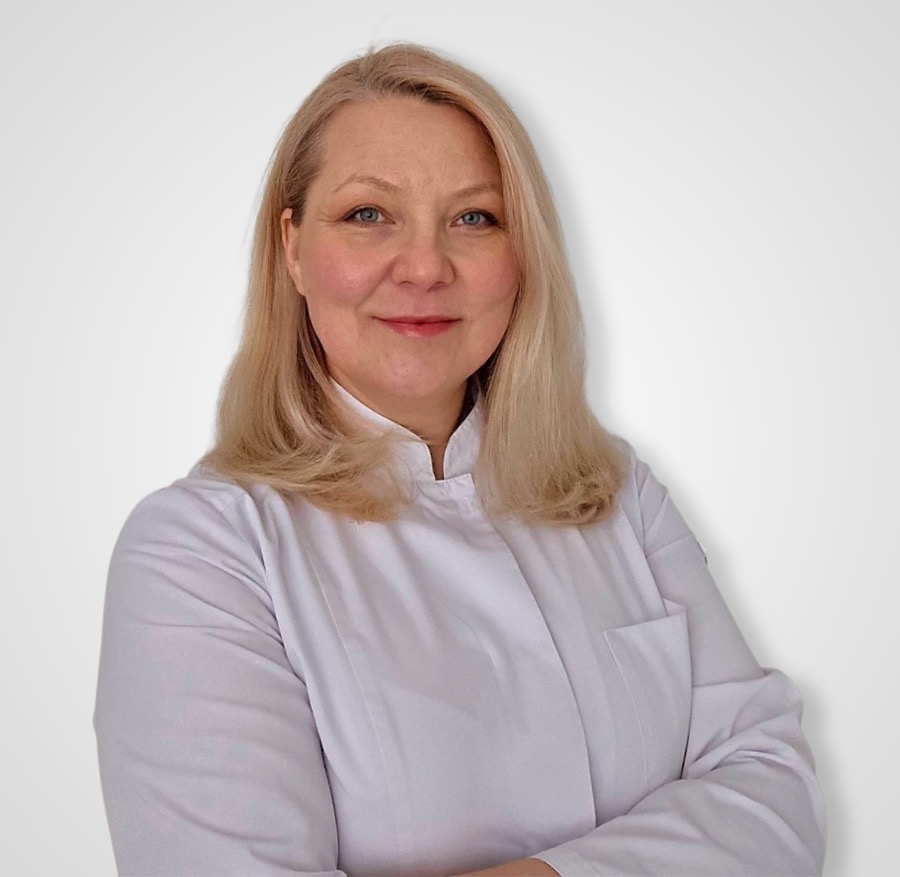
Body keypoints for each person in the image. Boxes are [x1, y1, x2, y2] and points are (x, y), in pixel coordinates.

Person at [93, 42, 826, 876]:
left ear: (524, 253)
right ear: (291, 248)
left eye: (474, 218)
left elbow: (779, 797)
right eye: (368, 214)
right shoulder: (203, 549)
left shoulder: (617, 492)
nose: (424, 267)